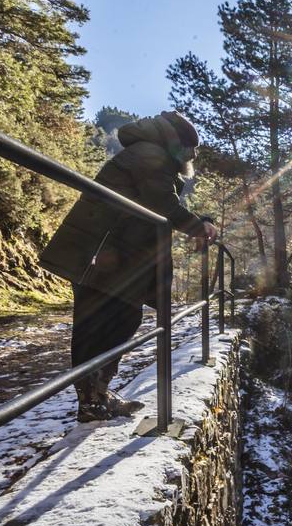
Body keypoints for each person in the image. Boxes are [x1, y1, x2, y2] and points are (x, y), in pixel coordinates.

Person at [41, 111, 218, 422]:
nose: (191, 157)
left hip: (114, 256)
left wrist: (197, 222)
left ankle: (97, 396)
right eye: (189, 150)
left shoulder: (149, 154)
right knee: (101, 325)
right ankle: (92, 400)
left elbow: (162, 202)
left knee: (117, 321)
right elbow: (162, 203)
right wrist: (197, 227)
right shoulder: (150, 154)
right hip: (104, 254)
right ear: (177, 144)